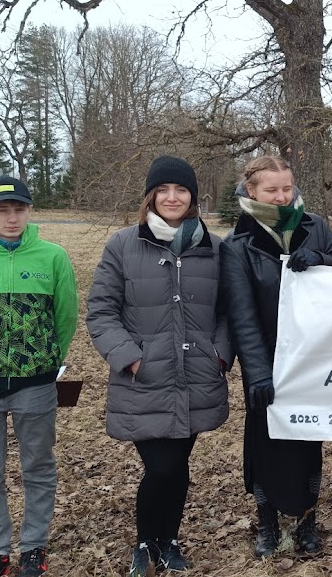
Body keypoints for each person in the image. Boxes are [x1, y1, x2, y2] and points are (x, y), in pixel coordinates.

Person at [86, 156, 233, 576]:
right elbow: (100, 310)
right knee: (162, 466)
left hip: (196, 377)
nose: (172, 197)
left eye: (181, 190)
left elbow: (227, 312)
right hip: (145, 381)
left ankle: (168, 541)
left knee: (178, 466)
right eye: (164, 190)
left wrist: (218, 353)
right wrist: (129, 357)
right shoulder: (122, 245)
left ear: (193, 197)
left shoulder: (214, 247)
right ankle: (145, 543)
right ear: (151, 196)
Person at [219, 155, 332, 559]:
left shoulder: (314, 227)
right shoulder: (238, 244)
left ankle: (308, 520)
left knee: (308, 441)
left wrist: (322, 261)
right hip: (268, 360)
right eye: (271, 190)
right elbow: (241, 315)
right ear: (252, 191)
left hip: (313, 357)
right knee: (267, 443)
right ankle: (268, 521)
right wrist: (257, 373)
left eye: (286, 188)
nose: (281, 196)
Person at [0, 177, 78, 577]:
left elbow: (64, 317)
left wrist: (45, 362)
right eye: (1, 210)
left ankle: (33, 547)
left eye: (19, 209)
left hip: (35, 388)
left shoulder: (52, 257)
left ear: (30, 210)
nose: (11, 218)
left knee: (39, 468)